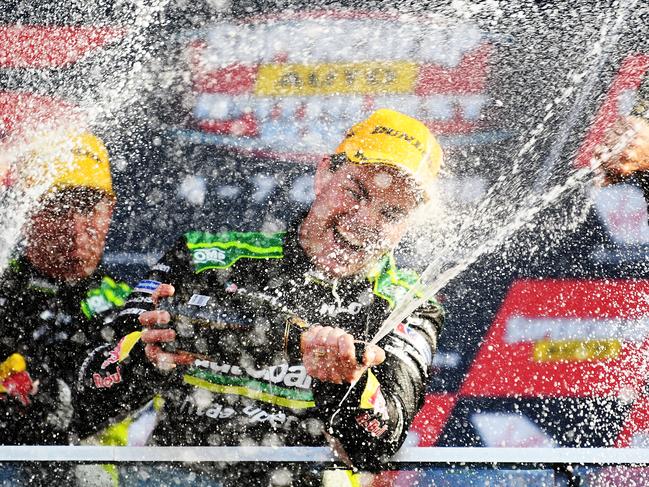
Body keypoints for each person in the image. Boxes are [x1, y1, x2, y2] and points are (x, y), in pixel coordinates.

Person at [77, 109, 445, 485]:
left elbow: (380, 444)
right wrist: (143, 359)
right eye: (355, 193)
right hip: (178, 475)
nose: (365, 221)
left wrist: (349, 384)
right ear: (323, 174)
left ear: (406, 226)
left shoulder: (408, 302)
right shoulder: (202, 256)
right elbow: (89, 395)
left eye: (390, 212)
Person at [0, 131, 131, 446]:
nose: (74, 227)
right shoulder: (3, 288)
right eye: (58, 207)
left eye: (87, 207)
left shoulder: (130, 304)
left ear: (109, 211)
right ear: (27, 210)